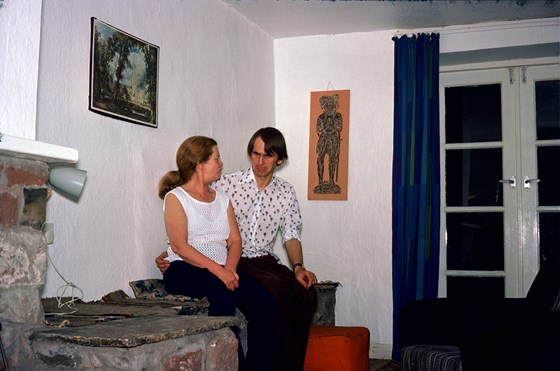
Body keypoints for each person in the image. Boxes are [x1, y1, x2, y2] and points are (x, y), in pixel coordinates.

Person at [157, 127, 318, 371]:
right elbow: (183, 239)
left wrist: (297, 267)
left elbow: (289, 234)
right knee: (269, 292)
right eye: (256, 154)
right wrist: (171, 252)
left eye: (267, 156)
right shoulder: (226, 184)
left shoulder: (281, 192)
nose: (260, 161)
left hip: (249, 261)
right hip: (233, 263)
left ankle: (290, 364)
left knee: (304, 294)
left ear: (279, 159)